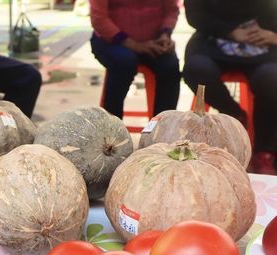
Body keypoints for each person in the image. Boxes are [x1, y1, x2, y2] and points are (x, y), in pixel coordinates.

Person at [182, 0, 277, 174]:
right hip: (211, 42)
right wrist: (230, 31)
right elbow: (195, 15)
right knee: (197, 69)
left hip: (263, 45)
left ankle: (265, 152)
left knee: (272, 78)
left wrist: (273, 35)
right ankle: (234, 115)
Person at [89, 0, 181, 119]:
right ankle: (112, 128)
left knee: (170, 68)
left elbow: (171, 10)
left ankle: (162, 128)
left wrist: (165, 34)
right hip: (111, 41)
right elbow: (99, 18)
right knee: (124, 63)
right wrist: (134, 45)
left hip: (153, 40)